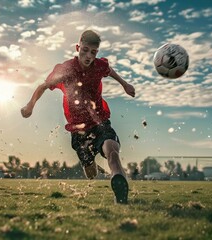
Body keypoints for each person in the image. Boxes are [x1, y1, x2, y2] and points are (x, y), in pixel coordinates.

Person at [21, 30, 135, 204]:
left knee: (111, 148)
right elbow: (43, 86)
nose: (88, 56)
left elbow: (109, 71)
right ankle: (90, 162)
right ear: (78, 47)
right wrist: (30, 106)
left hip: (100, 120)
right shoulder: (65, 69)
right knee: (91, 174)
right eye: (85, 50)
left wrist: (125, 84)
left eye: (93, 52)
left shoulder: (99, 66)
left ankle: (119, 183)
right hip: (77, 128)